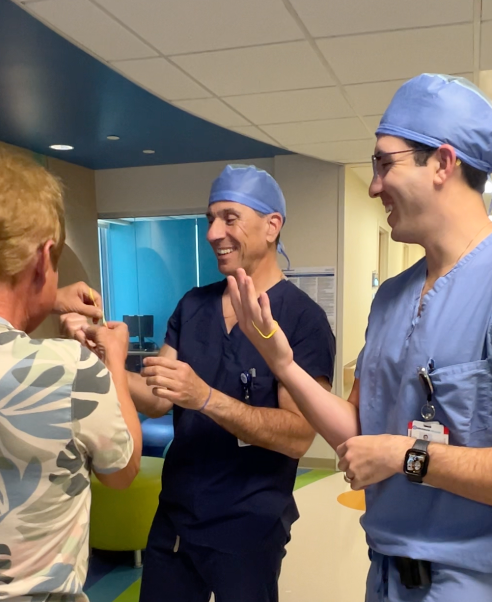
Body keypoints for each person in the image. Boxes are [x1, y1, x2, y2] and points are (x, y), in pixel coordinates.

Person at [227, 74, 492, 601]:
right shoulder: (391, 297)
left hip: (475, 585)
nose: (373, 185)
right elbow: (360, 432)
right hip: (385, 576)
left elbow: (392, 452)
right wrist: (282, 362)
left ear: (443, 164)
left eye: (385, 164)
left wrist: (408, 456)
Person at [102, 164, 334, 602]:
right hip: (177, 516)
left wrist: (206, 398)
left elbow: (298, 436)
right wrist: (107, 360)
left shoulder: (304, 320)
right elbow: (156, 399)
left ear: (272, 226)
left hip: (248, 525)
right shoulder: (194, 305)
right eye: (210, 218)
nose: (212, 232)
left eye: (229, 217)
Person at [0, 151, 142, 600]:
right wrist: (113, 362)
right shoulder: (68, 369)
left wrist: (44, 298)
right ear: (44, 258)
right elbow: (122, 469)